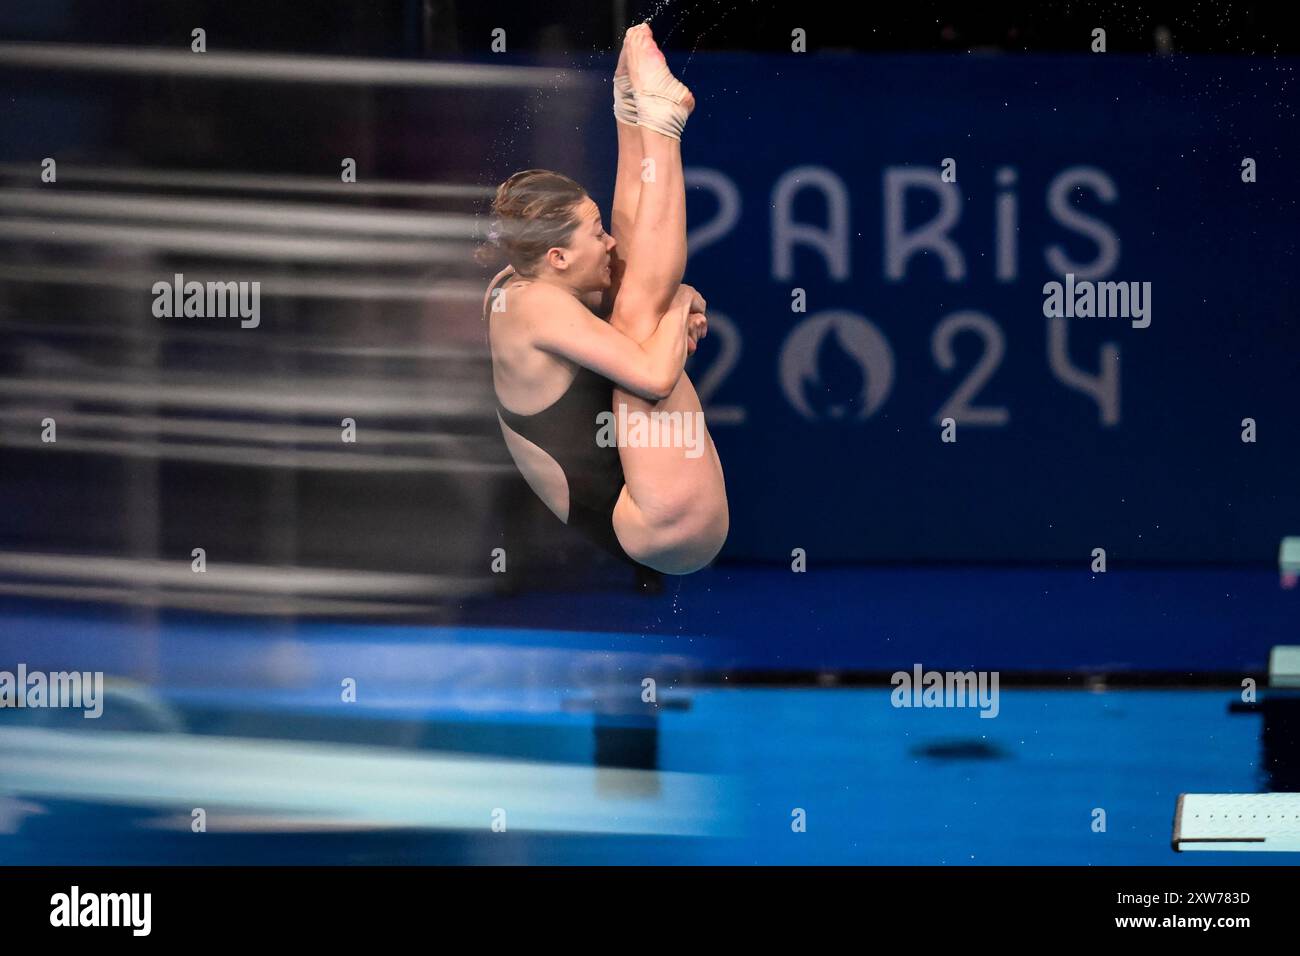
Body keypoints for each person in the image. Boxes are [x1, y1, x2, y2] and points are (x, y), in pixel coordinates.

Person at [478, 23, 728, 575]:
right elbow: (654, 376)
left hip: (654, 506)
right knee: (643, 312)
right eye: (595, 232)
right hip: (662, 523)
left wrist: (627, 114)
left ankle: (636, 113)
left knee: (630, 290)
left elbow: (628, 277)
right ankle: (661, 124)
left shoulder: (527, 281)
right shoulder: (532, 307)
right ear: (558, 258)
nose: (608, 239)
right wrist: (682, 299)